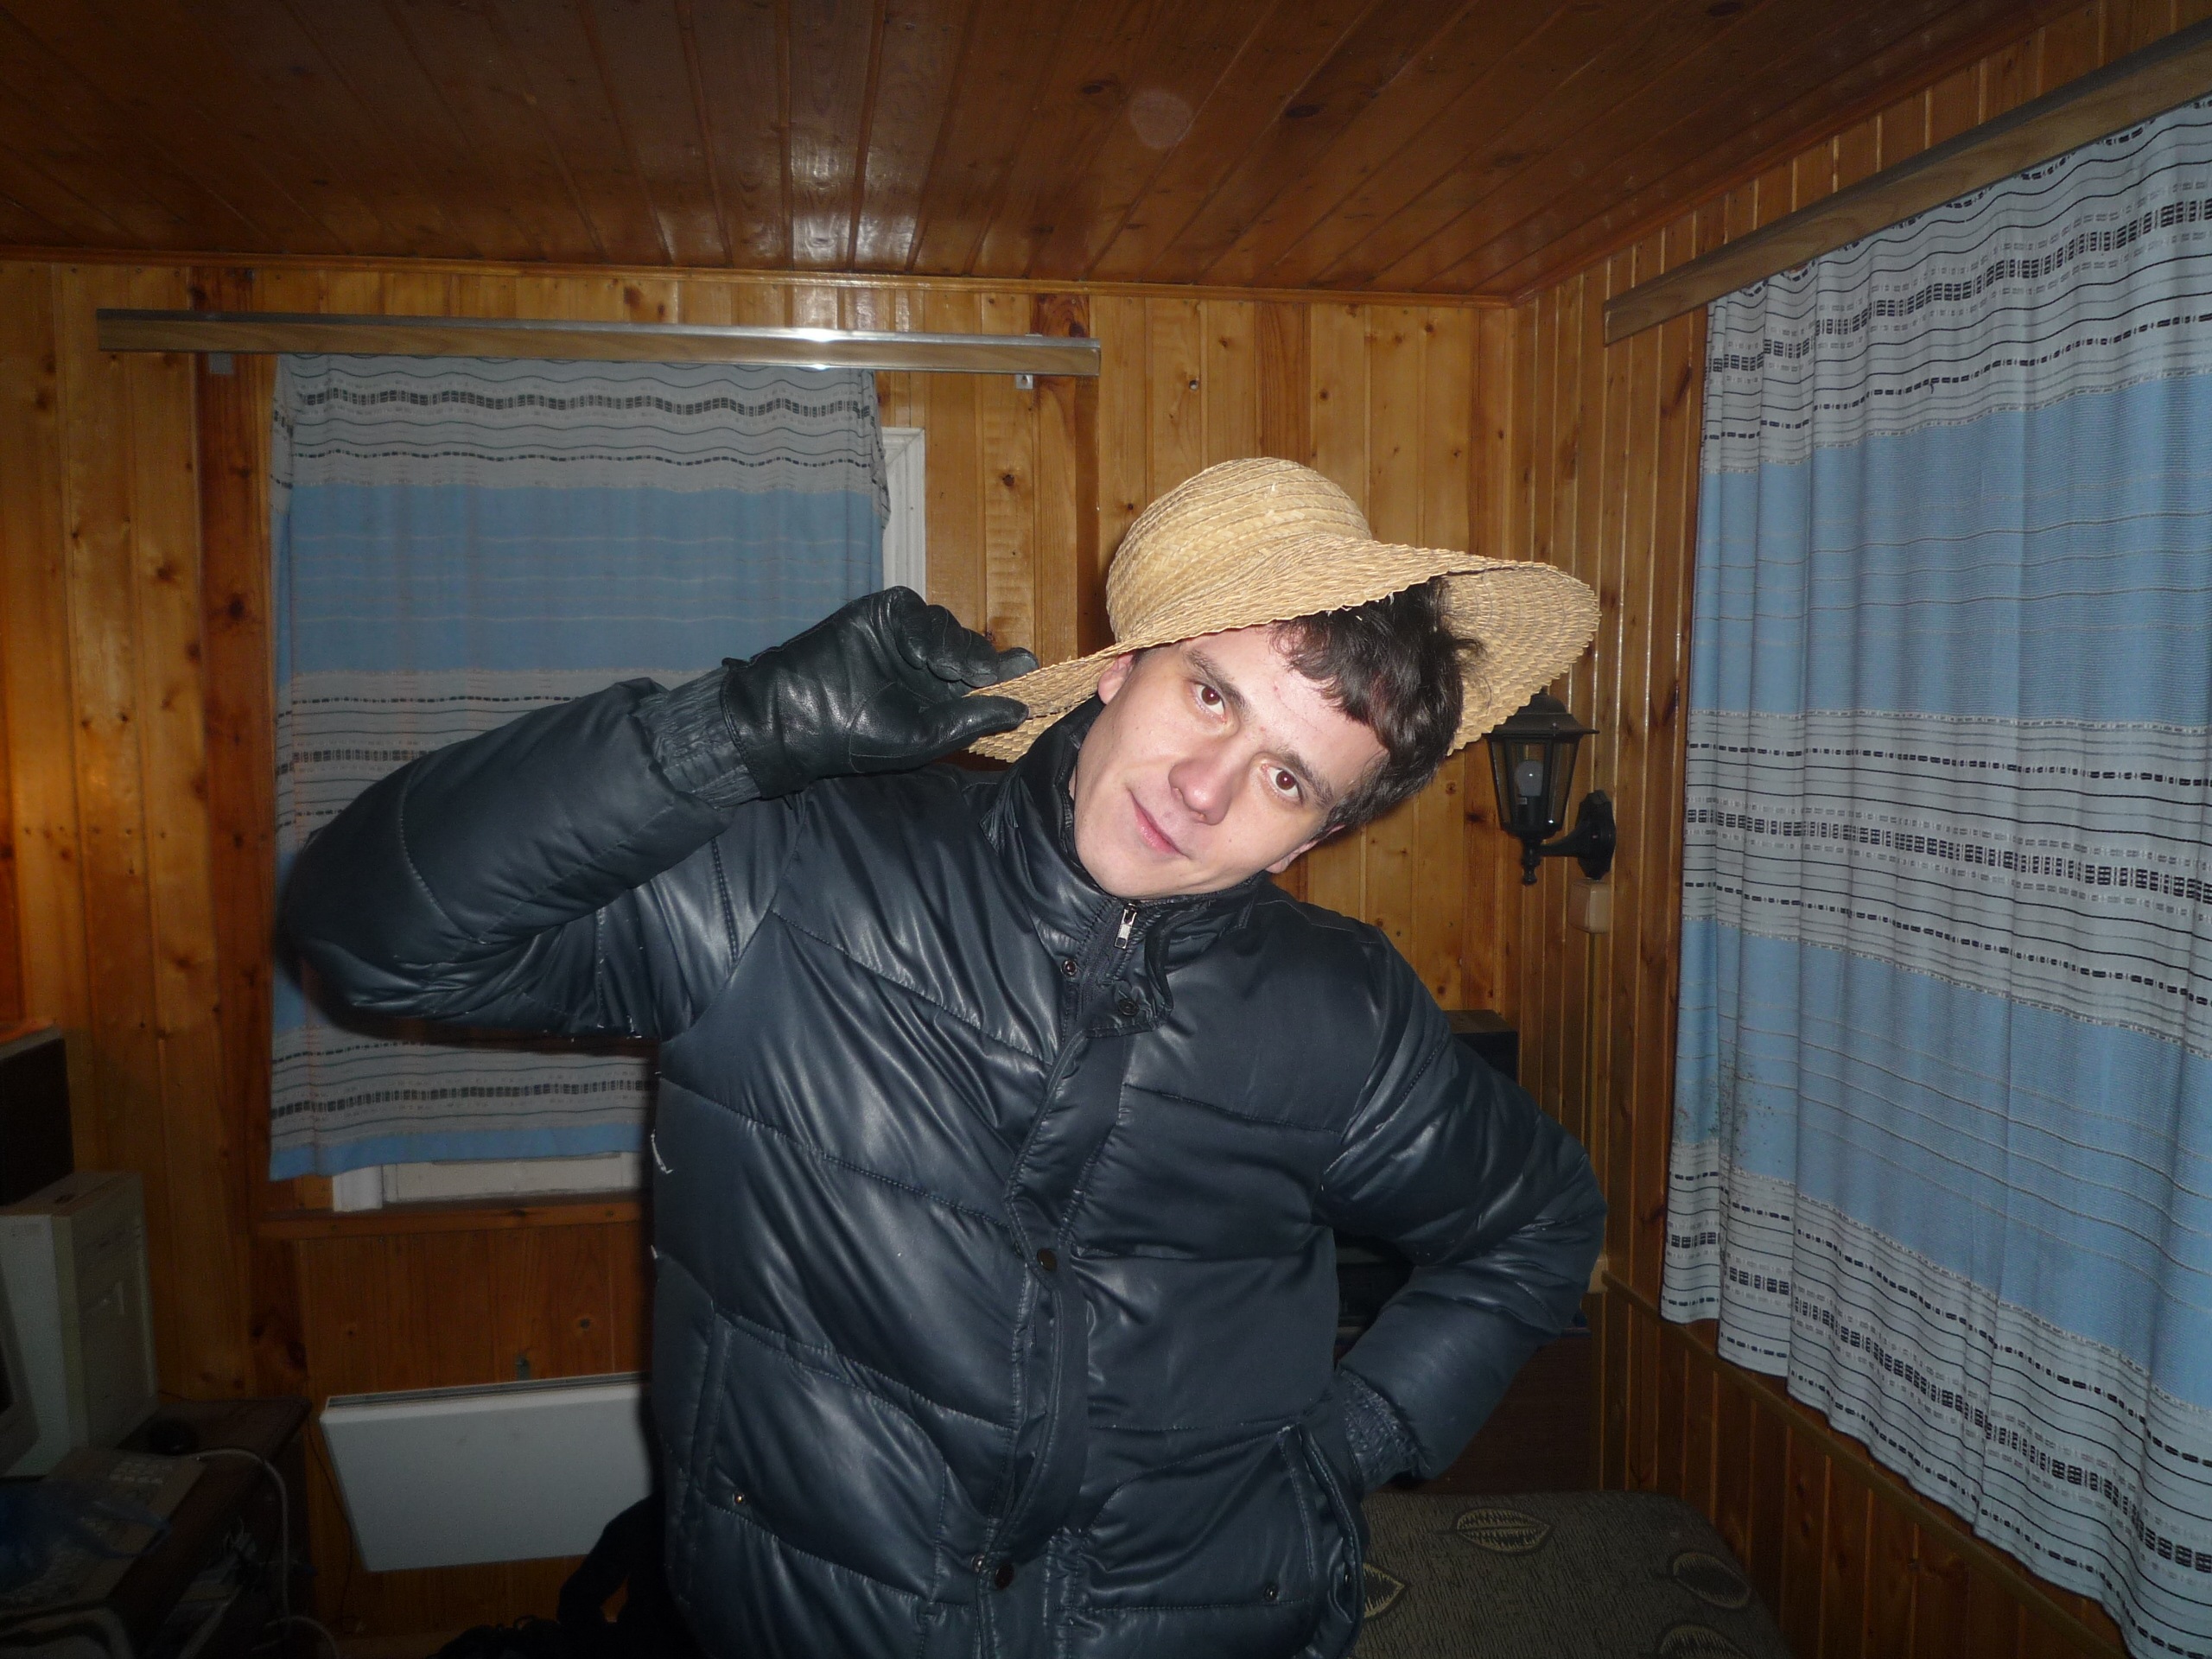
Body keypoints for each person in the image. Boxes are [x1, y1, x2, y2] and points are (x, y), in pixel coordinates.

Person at [284, 456, 1607, 1659]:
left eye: (1286, 779)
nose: (1204, 789)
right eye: (1209, 694)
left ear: (1310, 838)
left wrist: (1350, 1445)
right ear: (1121, 668)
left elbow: (1538, 1225)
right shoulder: (792, 871)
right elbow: (373, 937)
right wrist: (730, 733)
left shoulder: (1343, 1014)